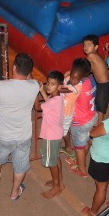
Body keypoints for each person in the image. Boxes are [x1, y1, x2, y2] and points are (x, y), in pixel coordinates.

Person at [0, 53, 39, 200]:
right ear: (29, 71)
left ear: (14, 67)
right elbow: (35, 96)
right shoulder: (35, 86)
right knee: (20, 166)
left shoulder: (0, 87)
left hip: (3, 135)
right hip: (23, 136)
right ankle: (14, 192)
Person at [35, 70, 65, 199]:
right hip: (56, 134)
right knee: (56, 158)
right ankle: (59, 182)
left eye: (53, 84)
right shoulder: (57, 98)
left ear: (59, 86)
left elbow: (37, 107)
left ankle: (56, 187)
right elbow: (48, 101)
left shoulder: (53, 102)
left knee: (51, 162)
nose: (48, 86)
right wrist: (42, 91)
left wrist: (34, 93)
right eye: (48, 83)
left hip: (50, 136)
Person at [82, 35, 109, 122]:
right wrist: (107, 52)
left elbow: (85, 69)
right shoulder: (95, 54)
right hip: (106, 82)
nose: (86, 47)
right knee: (100, 102)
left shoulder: (90, 56)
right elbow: (97, 67)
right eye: (84, 45)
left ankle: (99, 124)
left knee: (100, 105)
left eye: (89, 45)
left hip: (103, 84)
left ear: (96, 47)